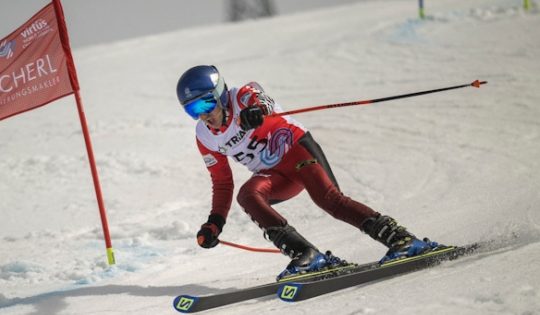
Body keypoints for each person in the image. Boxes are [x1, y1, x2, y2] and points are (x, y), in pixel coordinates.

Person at [176, 65, 438, 279]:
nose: (203, 116)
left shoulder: (241, 97)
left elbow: (259, 95)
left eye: (205, 105)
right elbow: (222, 183)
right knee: (247, 194)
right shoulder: (205, 137)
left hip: (298, 153)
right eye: (192, 110)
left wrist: (257, 110)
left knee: (330, 200)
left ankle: (403, 240)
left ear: (220, 94)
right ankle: (308, 256)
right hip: (275, 176)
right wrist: (215, 222)